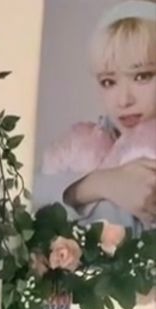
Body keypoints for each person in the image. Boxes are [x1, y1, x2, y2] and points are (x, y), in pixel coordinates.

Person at [35, 0, 156, 229]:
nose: (124, 100)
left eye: (141, 76)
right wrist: (98, 183)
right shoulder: (82, 145)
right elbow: (25, 193)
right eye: (108, 81)